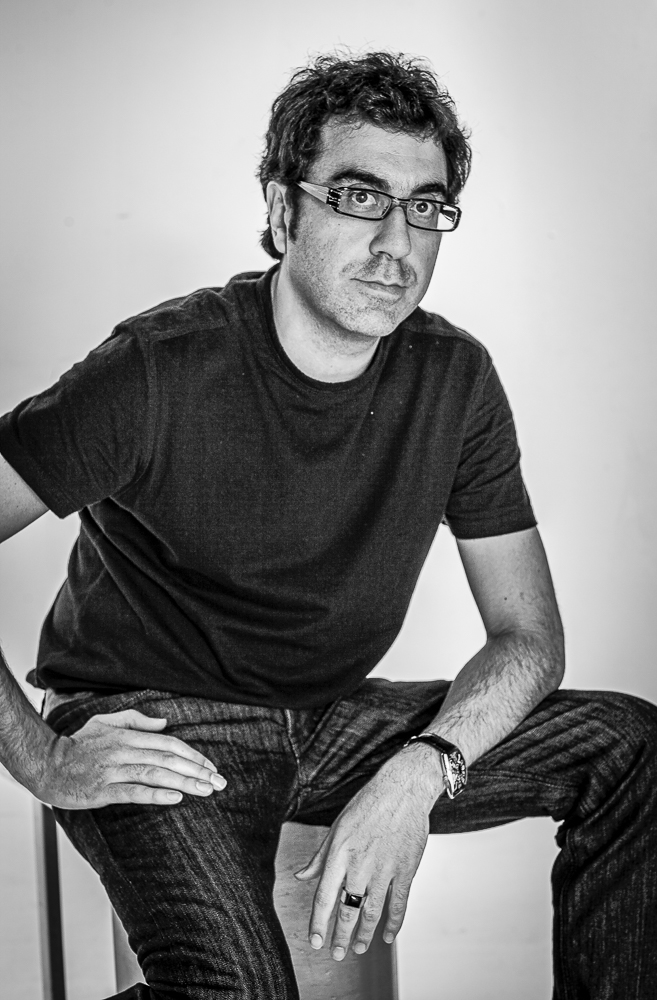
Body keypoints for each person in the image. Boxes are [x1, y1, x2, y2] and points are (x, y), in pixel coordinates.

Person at [0, 50, 655, 1000]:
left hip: (333, 717)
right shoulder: (156, 369)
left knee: (629, 748)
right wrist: (46, 759)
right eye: (357, 197)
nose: (396, 242)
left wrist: (421, 771)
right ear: (282, 211)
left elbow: (528, 636)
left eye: (424, 207)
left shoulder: (453, 379)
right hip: (161, 724)